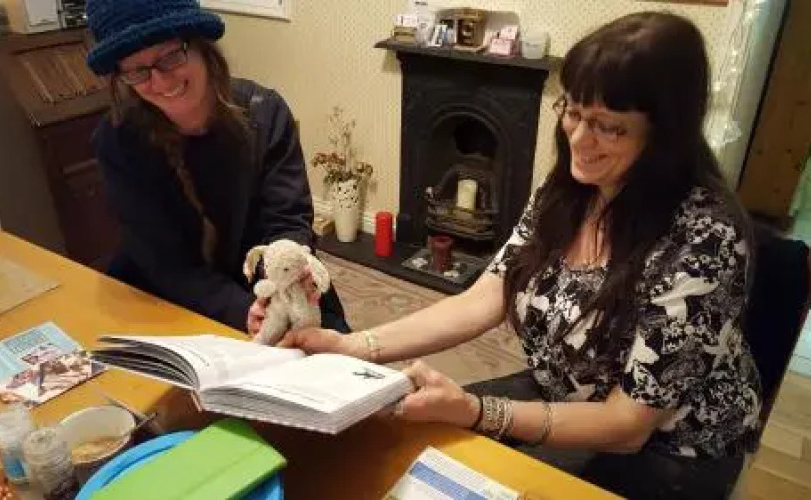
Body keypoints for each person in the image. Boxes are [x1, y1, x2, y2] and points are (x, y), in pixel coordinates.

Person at [278, 12, 761, 500]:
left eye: (608, 127)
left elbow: (626, 425)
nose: (578, 139)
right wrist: (355, 345)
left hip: (668, 450)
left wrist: (479, 411)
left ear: (665, 135)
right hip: (562, 390)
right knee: (400, 443)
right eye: (572, 111)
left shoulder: (705, 241)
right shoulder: (570, 190)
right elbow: (486, 297)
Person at [84, 0, 349, 334]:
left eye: (170, 56)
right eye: (138, 71)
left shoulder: (265, 112)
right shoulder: (117, 140)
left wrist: (277, 290)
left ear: (201, 46)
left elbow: (288, 221)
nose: (161, 82)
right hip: (171, 293)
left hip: (270, 281)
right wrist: (238, 310)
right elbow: (160, 259)